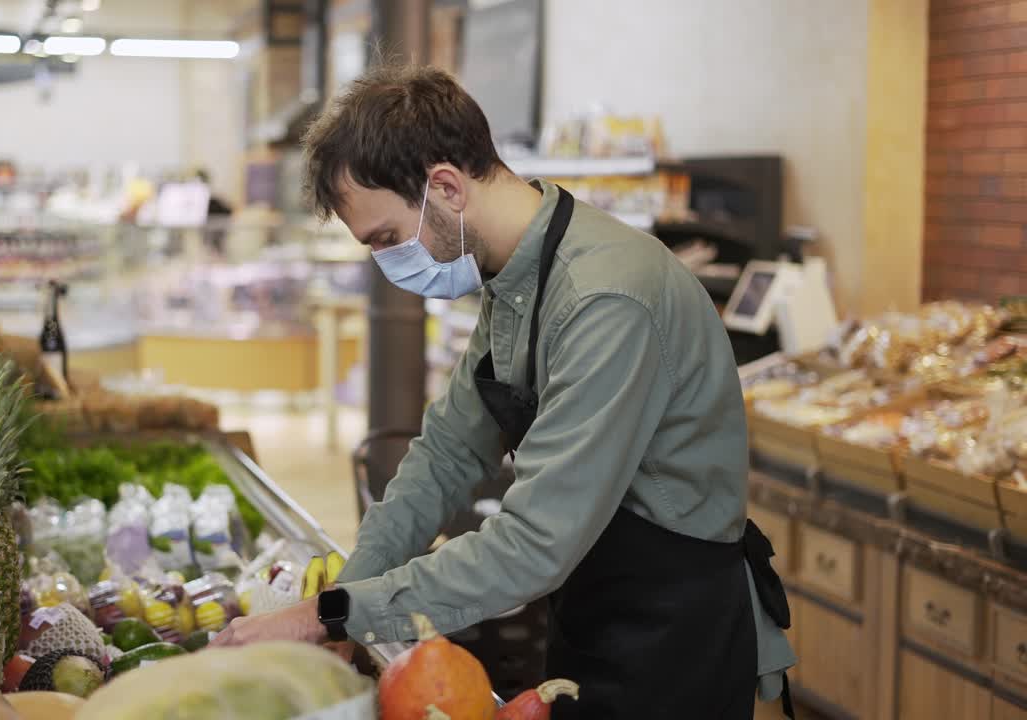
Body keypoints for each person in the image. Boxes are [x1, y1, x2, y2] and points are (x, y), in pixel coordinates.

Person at [210, 64, 796, 719]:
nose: (387, 262)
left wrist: (335, 614)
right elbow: (448, 454)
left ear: (446, 187)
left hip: (672, 637)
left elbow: (533, 545)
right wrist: (344, 598)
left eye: (386, 239)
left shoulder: (604, 299)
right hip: (592, 605)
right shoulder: (516, 276)